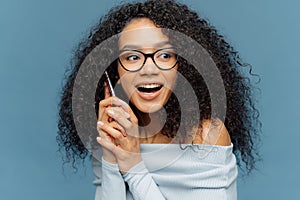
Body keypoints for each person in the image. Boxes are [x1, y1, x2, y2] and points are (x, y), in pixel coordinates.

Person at [57, 0, 261, 199]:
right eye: (132, 57)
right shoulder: (112, 132)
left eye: (164, 55)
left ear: (183, 66)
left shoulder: (206, 135)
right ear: (114, 71)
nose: (148, 70)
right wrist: (111, 159)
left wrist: (133, 167)